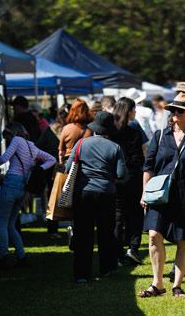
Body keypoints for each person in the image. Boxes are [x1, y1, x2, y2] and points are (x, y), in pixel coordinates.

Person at [139, 93, 185, 298]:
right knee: (154, 236)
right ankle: (157, 283)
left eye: (180, 110)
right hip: (159, 194)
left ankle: (177, 286)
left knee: (184, 240)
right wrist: (144, 192)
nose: (175, 114)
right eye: (173, 110)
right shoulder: (160, 136)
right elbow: (149, 166)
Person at [64, 111, 127, 283]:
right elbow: (121, 174)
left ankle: (82, 274)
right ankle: (105, 269)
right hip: (106, 193)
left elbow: (68, 168)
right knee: (106, 232)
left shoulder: (81, 143)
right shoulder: (115, 147)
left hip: (82, 193)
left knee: (83, 234)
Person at [0, 122, 56, 270]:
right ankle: (21, 256)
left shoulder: (17, 140)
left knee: (1, 223)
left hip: (11, 184)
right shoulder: (31, 146)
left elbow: (4, 158)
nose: (7, 140)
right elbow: (52, 159)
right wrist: (39, 168)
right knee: (10, 225)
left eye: (6, 137)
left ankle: (3, 257)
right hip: (22, 187)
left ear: (12, 133)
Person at [110, 97, 145, 266]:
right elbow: (139, 158)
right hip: (132, 178)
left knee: (117, 217)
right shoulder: (134, 133)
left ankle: (117, 253)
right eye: (134, 109)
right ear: (129, 111)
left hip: (114, 179)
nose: (136, 112)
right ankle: (132, 249)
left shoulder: (109, 132)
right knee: (135, 215)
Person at [36, 103, 70, 239]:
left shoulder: (51, 129)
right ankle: (73, 226)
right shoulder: (74, 129)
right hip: (70, 165)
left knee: (53, 198)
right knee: (72, 196)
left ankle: (52, 230)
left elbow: (38, 146)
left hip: (53, 168)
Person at [58, 98, 93, 164]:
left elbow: (61, 152)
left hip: (69, 162)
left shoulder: (67, 128)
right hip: (86, 163)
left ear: (72, 111)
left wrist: (61, 164)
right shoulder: (91, 129)